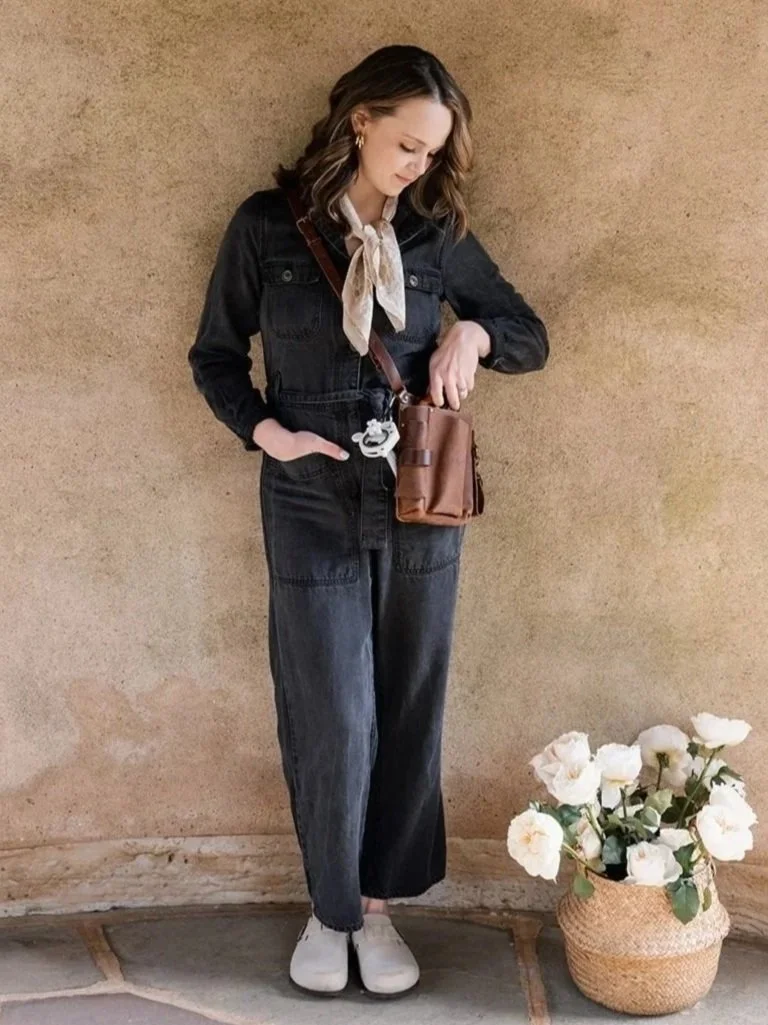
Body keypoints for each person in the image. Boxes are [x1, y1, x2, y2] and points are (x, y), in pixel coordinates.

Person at [187, 43, 549, 1000]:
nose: (416, 166)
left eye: (431, 153)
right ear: (358, 120)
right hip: (309, 497)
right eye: (406, 144)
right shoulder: (268, 227)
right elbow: (216, 355)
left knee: (408, 703)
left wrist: (470, 330)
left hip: (423, 500)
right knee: (334, 714)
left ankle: (380, 907)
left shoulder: (437, 237)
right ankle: (330, 908)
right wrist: (268, 433)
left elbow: (528, 332)